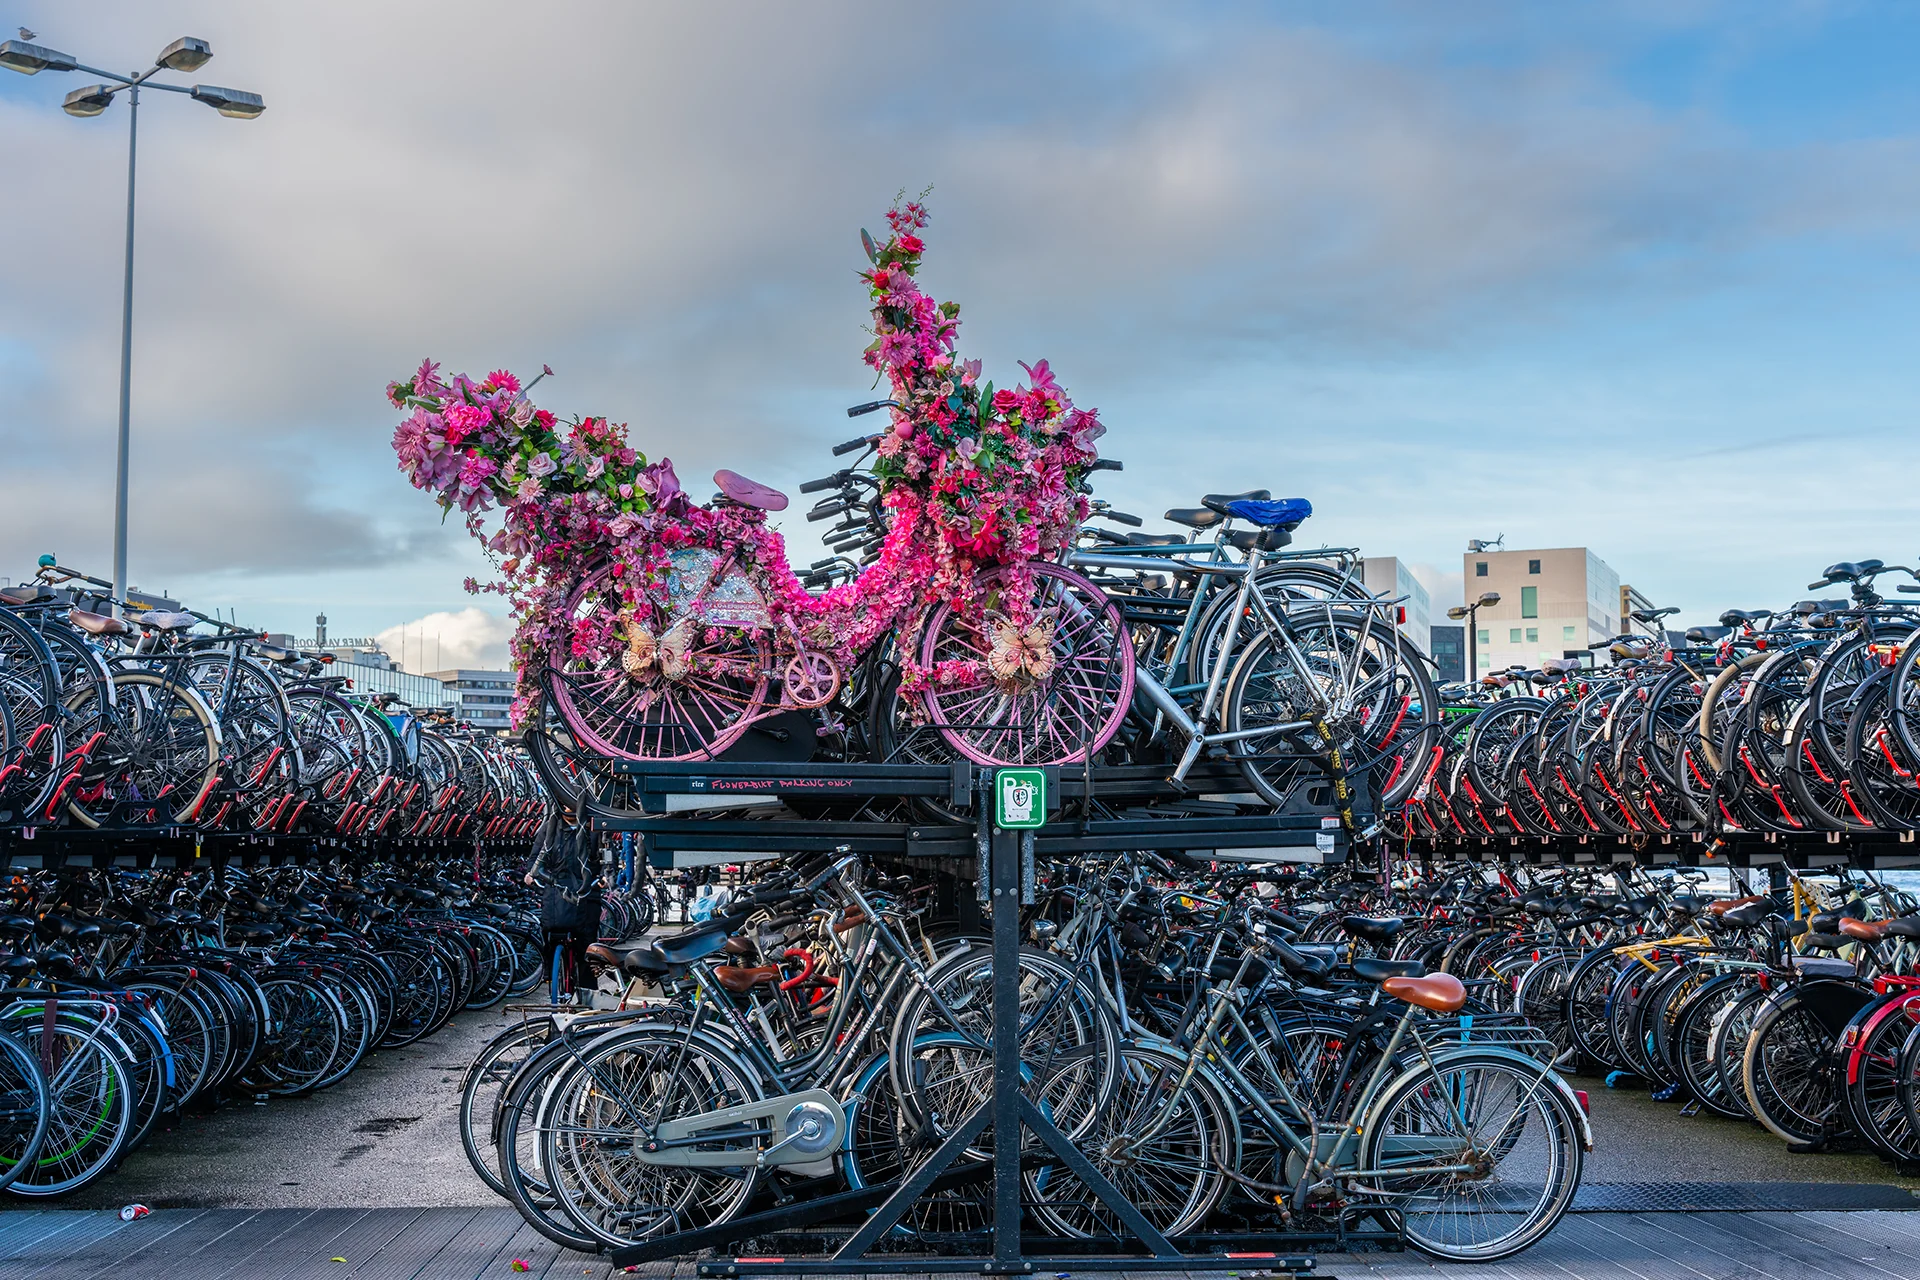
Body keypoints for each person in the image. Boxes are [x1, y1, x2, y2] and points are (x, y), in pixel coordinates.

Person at [524, 813, 604, 1004]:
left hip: (586, 891)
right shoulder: (549, 828)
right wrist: (531, 874)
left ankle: (588, 998)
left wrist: (604, 876)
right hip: (556, 890)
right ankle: (550, 969)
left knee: (587, 947)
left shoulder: (593, 829)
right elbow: (534, 859)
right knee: (548, 931)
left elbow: (606, 859)